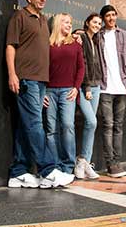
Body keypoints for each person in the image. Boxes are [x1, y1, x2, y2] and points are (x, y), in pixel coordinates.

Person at [5, 0, 74, 189]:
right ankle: (48, 170)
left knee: (25, 126)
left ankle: (18, 172)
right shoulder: (20, 17)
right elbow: (10, 46)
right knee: (35, 124)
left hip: (41, 81)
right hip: (25, 78)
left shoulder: (44, 20)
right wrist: (12, 74)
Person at [96, 4, 126, 178]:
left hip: (121, 87)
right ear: (103, 18)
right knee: (108, 125)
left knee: (118, 126)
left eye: (113, 15)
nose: (111, 18)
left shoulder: (124, 35)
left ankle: (118, 162)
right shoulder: (99, 36)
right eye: (108, 15)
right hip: (105, 87)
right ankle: (110, 164)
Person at [44, 13, 84, 177]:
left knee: (68, 126)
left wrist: (76, 87)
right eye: (66, 22)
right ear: (58, 23)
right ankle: (54, 165)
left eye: (70, 22)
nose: (69, 25)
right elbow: (41, 68)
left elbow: (81, 68)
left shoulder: (75, 44)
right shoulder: (47, 45)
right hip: (49, 92)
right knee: (51, 130)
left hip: (68, 91)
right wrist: (41, 92)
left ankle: (68, 166)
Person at [74, 14, 104, 180]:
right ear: (87, 23)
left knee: (90, 125)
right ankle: (80, 160)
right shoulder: (82, 37)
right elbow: (83, 63)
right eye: (94, 22)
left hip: (97, 86)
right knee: (92, 121)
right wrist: (86, 87)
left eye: (99, 23)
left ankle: (85, 162)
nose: (97, 25)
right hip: (85, 87)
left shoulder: (96, 40)